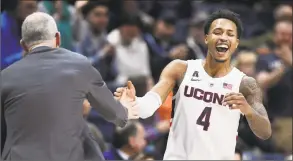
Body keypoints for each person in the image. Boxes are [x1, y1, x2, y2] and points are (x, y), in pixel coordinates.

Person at [114, 9, 272, 160]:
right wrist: (134, 102)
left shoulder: (246, 83)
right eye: (217, 32)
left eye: (230, 34)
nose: (223, 37)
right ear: (206, 38)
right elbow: (149, 105)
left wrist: (248, 111)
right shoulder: (180, 69)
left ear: (236, 43)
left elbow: (265, 132)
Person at [1, 12, 138, 161]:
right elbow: (115, 114)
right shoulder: (79, 64)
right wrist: (124, 107)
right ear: (58, 38)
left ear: (23, 45)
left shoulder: (4, 77)